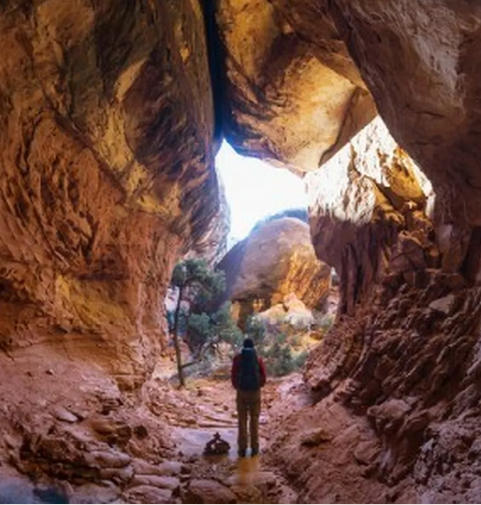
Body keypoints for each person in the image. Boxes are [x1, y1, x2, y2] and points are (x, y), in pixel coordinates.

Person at [231, 338, 266, 457]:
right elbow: (263, 375)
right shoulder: (258, 359)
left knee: (242, 420)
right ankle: (255, 448)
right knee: (254, 419)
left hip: (242, 392)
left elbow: (234, 374)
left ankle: (242, 448)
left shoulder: (238, 358)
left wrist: (238, 387)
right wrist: (258, 385)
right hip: (255, 392)